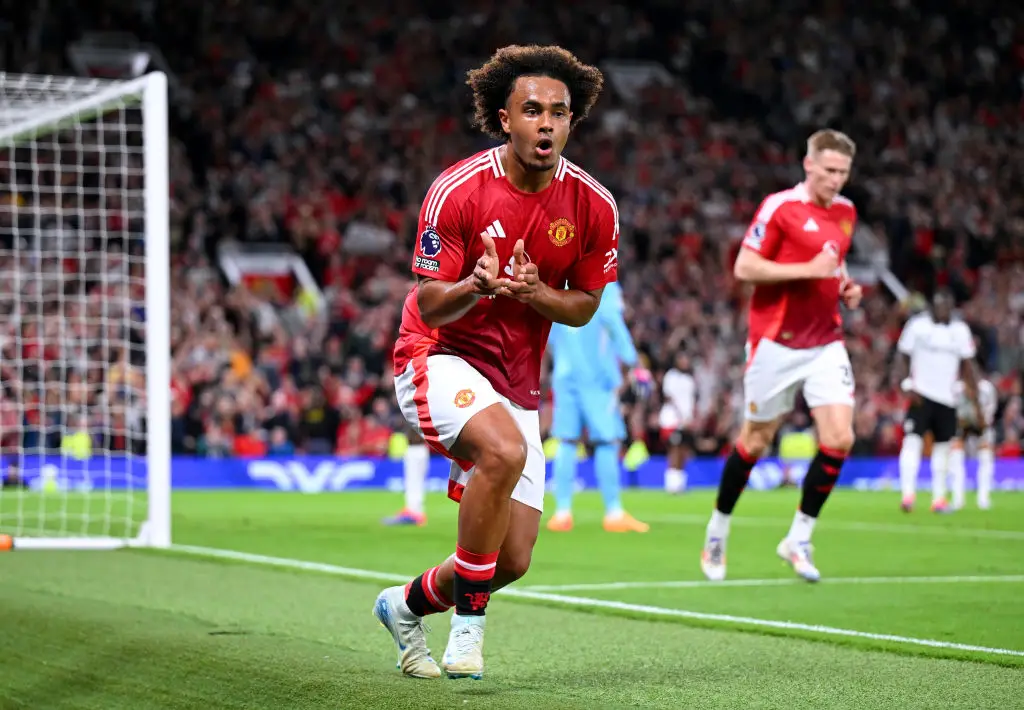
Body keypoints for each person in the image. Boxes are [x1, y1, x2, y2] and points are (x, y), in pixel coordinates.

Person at [372, 44, 617, 681]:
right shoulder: (457, 191)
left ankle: (403, 605)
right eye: (532, 110)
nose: (546, 123)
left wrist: (539, 296)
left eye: (559, 113)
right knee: (504, 452)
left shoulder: (594, 207)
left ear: (572, 121)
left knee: (511, 558)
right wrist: (476, 285)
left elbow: (586, 305)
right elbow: (429, 301)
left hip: (515, 381)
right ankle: (468, 632)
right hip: (437, 353)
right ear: (504, 119)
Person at [699, 129, 863, 584]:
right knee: (754, 441)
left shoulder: (847, 212)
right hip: (776, 342)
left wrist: (844, 287)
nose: (836, 180)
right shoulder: (780, 208)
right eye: (829, 171)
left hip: (826, 342)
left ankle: (799, 537)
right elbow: (745, 267)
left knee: (840, 438)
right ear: (808, 165)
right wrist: (807, 271)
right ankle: (718, 528)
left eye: (843, 173)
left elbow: (835, 262)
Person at [545, 279, 648, 533]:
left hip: (565, 376)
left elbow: (548, 332)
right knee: (607, 441)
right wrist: (634, 362)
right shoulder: (603, 284)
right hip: (597, 378)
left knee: (566, 441)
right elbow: (613, 322)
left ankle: (562, 513)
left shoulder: (557, 284)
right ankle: (613, 513)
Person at [895, 291, 980, 513]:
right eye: (939, 304)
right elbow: (902, 355)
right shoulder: (917, 326)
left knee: (943, 449)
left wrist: (975, 395)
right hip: (921, 394)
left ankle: (939, 499)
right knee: (912, 442)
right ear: (932, 307)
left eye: (947, 304)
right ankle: (907, 495)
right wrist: (906, 385)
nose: (943, 309)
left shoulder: (960, 330)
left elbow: (968, 363)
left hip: (947, 398)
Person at [949, 374, 997, 510]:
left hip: (981, 423)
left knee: (986, 455)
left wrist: (976, 406)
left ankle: (983, 499)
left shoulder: (987, 390)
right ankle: (957, 499)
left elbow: (986, 422)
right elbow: (954, 418)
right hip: (961, 424)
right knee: (955, 455)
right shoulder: (956, 390)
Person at [659, 351, 698, 494]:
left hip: (686, 421)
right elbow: (669, 397)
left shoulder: (689, 380)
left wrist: (691, 418)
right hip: (672, 420)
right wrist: (681, 416)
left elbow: (691, 401)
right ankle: (671, 483)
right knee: (674, 449)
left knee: (684, 450)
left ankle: (680, 482)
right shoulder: (671, 376)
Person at [382, 428, 431, 526]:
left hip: (414, 449)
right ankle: (415, 510)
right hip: (422, 448)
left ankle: (413, 512)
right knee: (417, 481)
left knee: (412, 482)